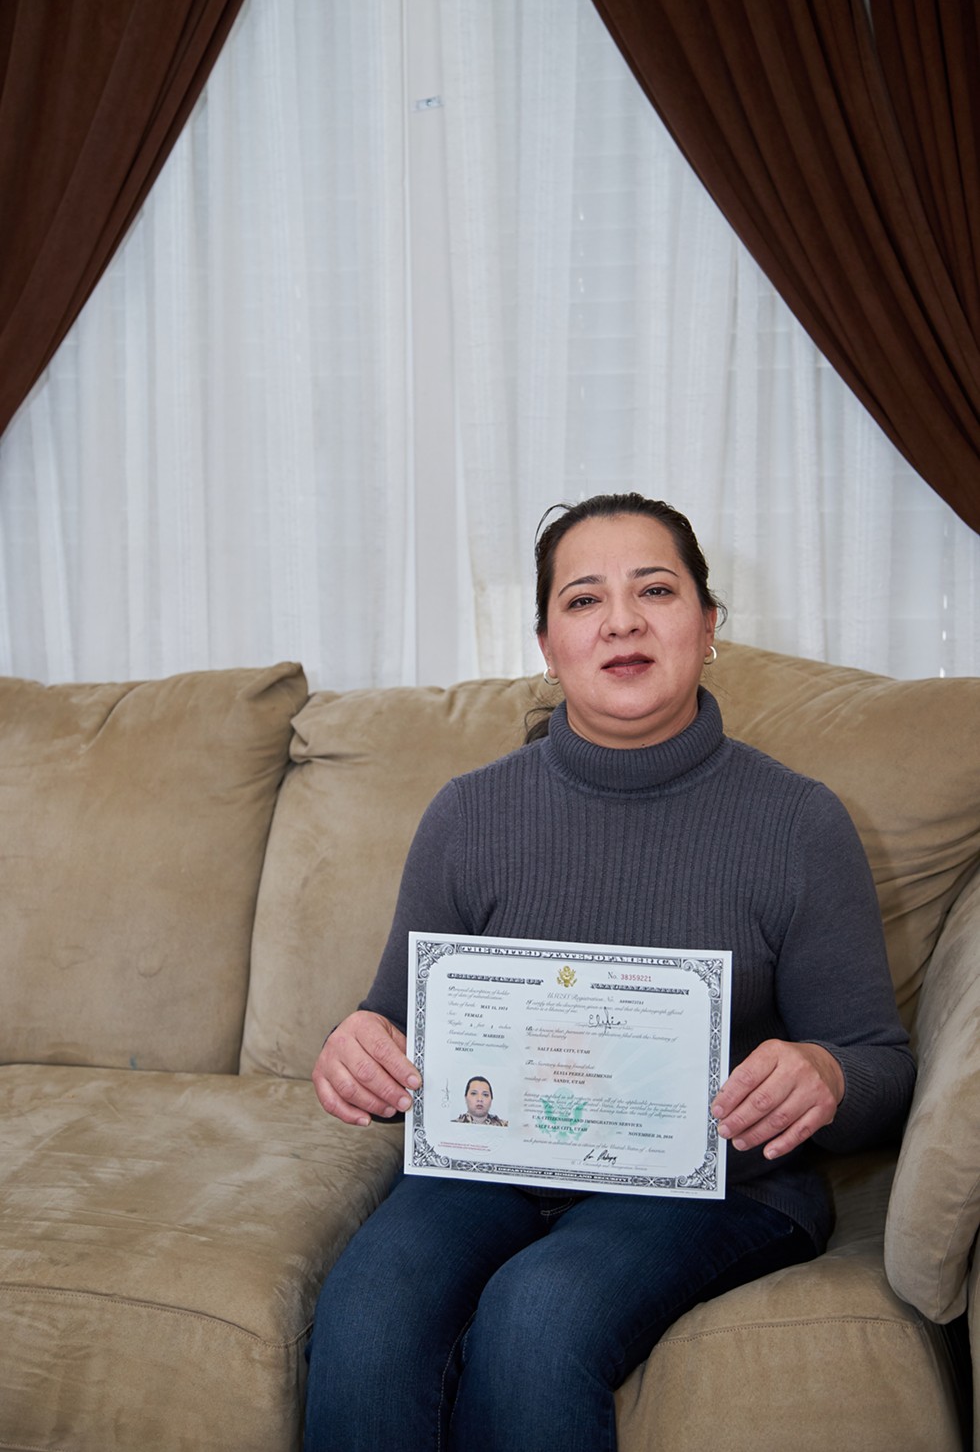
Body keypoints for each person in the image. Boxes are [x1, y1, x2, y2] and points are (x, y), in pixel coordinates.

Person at [304, 492, 914, 1452]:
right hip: (492, 1165)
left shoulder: (800, 823)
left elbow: (879, 1061)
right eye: (584, 600)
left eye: (656, 590)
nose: (622, 620)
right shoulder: (468, 815)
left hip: (721, 1186)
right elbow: (398, 1027)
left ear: (709, 626)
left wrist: (828, 1074)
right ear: (547, 645)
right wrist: (361, 1047)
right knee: (370, 1311)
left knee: (539, 1311)